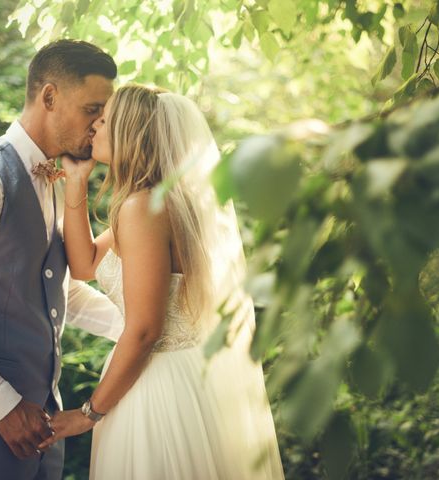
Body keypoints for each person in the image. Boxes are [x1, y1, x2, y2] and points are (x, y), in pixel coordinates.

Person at [37, 84, 285, 479]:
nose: (94, 126)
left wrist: (89, 413)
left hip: (159, 389)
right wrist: (77, 182)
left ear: (130, 134)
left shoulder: (143, 208)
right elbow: (84, 265)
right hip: (178, 378)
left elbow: (143, 330)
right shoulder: (154, 201)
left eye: (105, 119)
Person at [0, 39, 124, 479]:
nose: (100, 125)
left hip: (41, 424)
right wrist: (0, 405)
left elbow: (50, 285)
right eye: (92, 109)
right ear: (49, 97)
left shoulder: (58, 178)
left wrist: (134, 331)